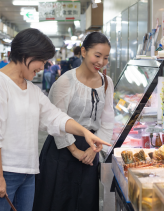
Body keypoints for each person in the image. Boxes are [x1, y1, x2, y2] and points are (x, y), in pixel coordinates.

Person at [0, 29, 111, 211]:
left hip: (28, 173)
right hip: (3, 173)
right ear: (27, 54)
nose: (42, 67)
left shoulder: (31, 89)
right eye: (41, 61)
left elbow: (55, 117)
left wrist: (85, 133)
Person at [33, 32, 114, 211]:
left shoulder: (107, 82)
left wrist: (94, 151)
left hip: (91, 148)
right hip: (61, 148)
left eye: (106, 58)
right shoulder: (65, 81)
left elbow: (108, 120)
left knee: (84, 200)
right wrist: (75, 150)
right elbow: (56, 119)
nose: (101, 62)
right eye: (97, 55)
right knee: (59, 200)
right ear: (84, 52)